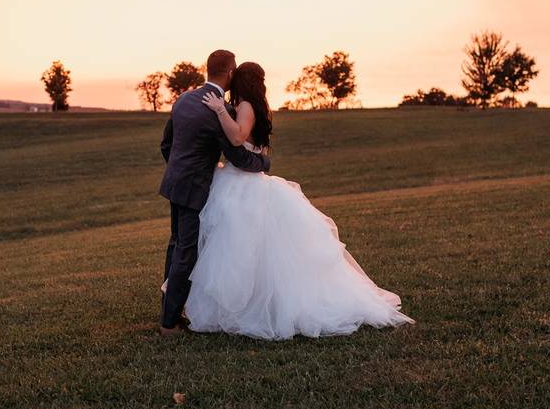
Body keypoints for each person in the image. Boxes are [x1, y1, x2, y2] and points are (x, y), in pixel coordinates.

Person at [183, 61, 414, 339]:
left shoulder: (244, 107)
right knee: (251, 252)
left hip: (242, 186)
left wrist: (220, 110)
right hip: (242, 182)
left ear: (240, 81)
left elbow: (237, 137)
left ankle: (248, 309)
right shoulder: (255, 105)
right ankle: (250, 305)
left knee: (242, 251)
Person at [158, 50, 271, 336]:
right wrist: (264, 162)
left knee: (175, 246)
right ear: (230, 71)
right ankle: (169, 324)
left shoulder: (184, 99)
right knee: (186, 252)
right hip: (195, 189)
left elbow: (166, 144)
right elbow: (238, 156)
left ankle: (169, 309)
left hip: (174, 183)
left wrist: (179, 170)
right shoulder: (219, 108)